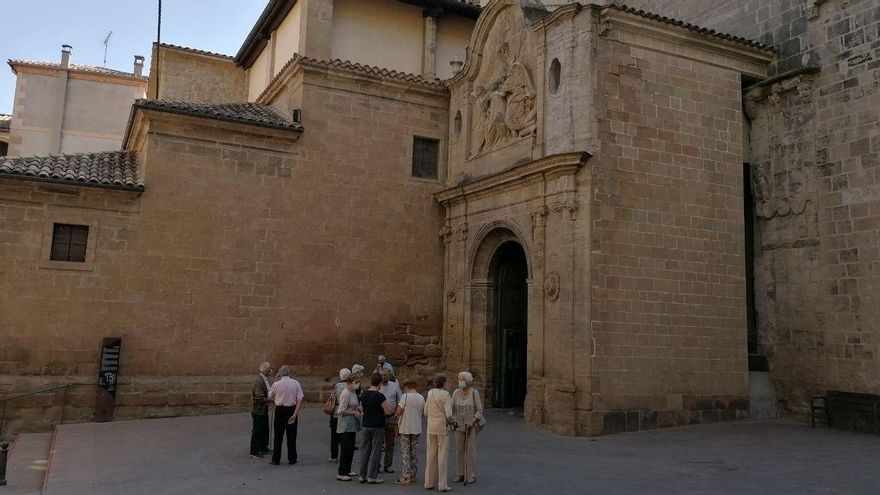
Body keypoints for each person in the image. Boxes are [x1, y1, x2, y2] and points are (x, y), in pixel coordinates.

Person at [358, 372, 393, 484]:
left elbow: (361, 408)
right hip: (377, 424)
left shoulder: (364, 394)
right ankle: (372, 476)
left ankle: (362, 475)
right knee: (375, 451)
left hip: (366, 424)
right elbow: (388, 410)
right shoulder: (380, 396)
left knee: (365, 449)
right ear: (380, 383)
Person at [451, 371, 485, 484]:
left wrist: (473, 420)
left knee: (470, 450)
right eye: (460, 380)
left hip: (471, 425)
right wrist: (451, 420)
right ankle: (460, 473)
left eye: (463, 380)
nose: (460, 382)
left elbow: (480, 410)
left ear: (468, 382)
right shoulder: (456, 392)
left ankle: (471, 475)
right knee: (459, 450)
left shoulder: (474, 393)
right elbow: (451, 408)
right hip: (459, 425)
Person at [424, 373, 454, 492]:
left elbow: (425, 412)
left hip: (431, 427)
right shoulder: (446, 394)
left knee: (430, 455)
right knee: (442, 456)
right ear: (444, 383)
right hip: (442, 427)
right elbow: (449, 414)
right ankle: (442, 485)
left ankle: (428, 482)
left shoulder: (430, 393)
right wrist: (452, 421)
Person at [268, 365, 304, 465]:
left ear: (279, 373)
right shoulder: (295, 383)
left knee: (278, 435)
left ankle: (276, 459)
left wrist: (276, 380)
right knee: (291, 435)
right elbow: (300, 399)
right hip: (292, 409)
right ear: (289, 373)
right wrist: (295, 414)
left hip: (280, 410)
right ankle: (292, 458)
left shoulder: (276, 384)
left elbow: (270, 395)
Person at [395, 378, 425, 485]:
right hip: (416, 427)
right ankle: (413, 475)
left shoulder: (405, 396)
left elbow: (398, 412)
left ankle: (406, 475)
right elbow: (423, 412)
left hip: (405, 427)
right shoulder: (421, 397)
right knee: (414, 452)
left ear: (407, 386)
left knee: (405, 453)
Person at [335, 375, 363, 481]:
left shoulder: (353, 393)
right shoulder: (346, 393)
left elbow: (355, 405)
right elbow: (341, 411)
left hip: (352, 425)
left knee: (350, 448)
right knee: (346, 448)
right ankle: (341, 472)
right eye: (356, 382)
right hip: (346, 425)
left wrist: (359, 409)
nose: (357, 384)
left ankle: (347, 469)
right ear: (350, 382)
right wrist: (353, 412)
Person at [378, 367, 402, 473]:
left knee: (390, 443)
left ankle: (388, 465)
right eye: (382, 375)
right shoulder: (377, 386)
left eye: (386, 375)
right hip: (379, 416)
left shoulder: (394, 386)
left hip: (391, 417)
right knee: (378, 443)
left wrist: (398, 414)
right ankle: (377, 464)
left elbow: (400, 400)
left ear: (389, 375)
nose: (384, 377)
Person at [249, 362, 272, 459]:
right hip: (258, 410)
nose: (271, 370)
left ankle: (263, 447)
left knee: (264, 429)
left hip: (263, 409)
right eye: (270, 369)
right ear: (266, 370)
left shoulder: (264, 379)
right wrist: (270, 400)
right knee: (257, 431)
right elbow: (259, 397)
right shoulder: (259, 381)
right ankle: (254, 451)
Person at [330, 368, 351, 463]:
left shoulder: (336, 386)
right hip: (347, 412)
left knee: (334, 435)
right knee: (345, 435)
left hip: (336, 412)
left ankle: (334, 455)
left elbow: (332, 397)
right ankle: (344, 454)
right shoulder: (350, 386)